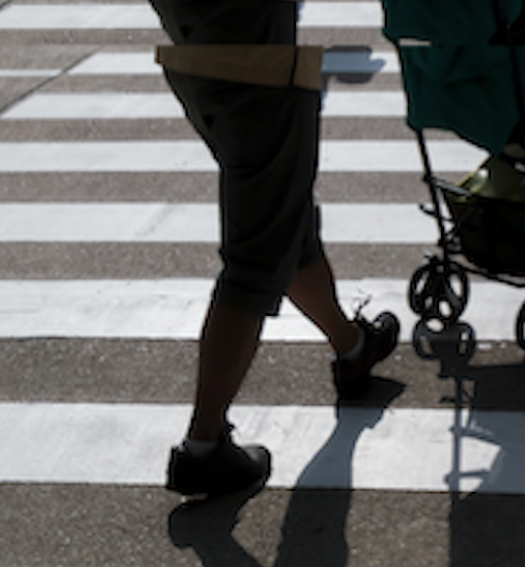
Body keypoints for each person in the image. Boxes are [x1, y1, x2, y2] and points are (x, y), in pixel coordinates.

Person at [150, 0, 400, 499]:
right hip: (260, 79)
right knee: (255, 259)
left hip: (202, 66)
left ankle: (351, 347)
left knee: (286, 223)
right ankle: (203, 446)